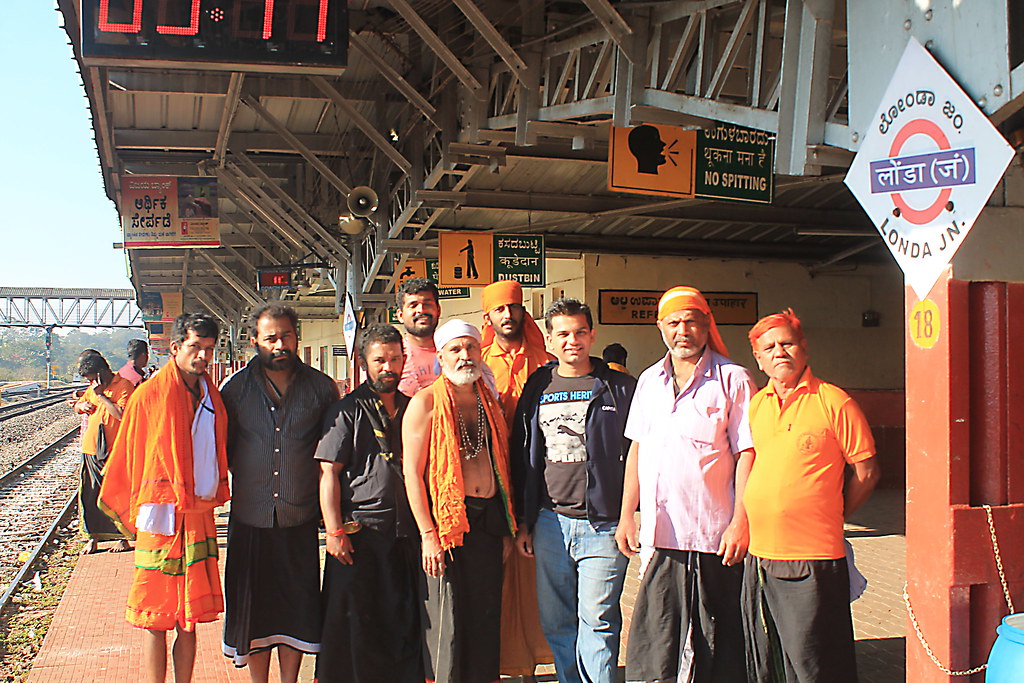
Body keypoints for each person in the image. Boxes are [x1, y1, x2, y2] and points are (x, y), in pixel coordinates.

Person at [615, 286, 756, 682]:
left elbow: (749, 453)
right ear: (661, 327)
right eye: (674, 322)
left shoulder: (734, 380)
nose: (683, 330)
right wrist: (627, 514)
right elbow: (637, 452)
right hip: (661, 536)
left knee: (718, 640)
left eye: (692, 321)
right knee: (657, 640)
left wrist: (740, 521)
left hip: (714, 537)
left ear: (707, 325)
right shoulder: (648, 381)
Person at [742, 309, 880, 682]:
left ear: (803, 348)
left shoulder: (834, 402)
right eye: (768, 347)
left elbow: (867, 473)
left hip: (813, 558)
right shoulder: (756, 405)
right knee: (772, 660)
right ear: (758, 358)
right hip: (760, 557)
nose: (779, 352)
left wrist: (836, 514)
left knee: (817, 664)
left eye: (786, 343)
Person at [99, 313, 230, 683]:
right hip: (158, 517)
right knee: (156, 618)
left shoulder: (211, 393)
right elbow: (129, 453)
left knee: (188, 620)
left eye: (208, 349)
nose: (203, 356)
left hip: (198, 511)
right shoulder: (149, 395)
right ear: (175, 348)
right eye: (195, 348)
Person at [511, 298, 636, 683]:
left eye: (580, 332)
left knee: (597, 620)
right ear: (550, 339)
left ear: (592, 335)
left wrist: (631, 516)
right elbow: (522, 454)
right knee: (558, 622)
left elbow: (639, 454)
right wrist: (525, 522)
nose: (572, 341)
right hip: (549, 524)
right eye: (563, 333)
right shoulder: (538, 386)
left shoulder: (618, 387)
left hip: (603, 525)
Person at [220, 304, 339, 681]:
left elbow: (333, 453)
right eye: (270, 338)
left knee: (298, 610)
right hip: (250, 515)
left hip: (299, 517)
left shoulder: (321, 387)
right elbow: (224, 448)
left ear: (297, 337)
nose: (279, 344)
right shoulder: (235, 390)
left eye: (286, 335)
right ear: (254, 340)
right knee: (254, 611)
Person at [402, 319, 516, 683]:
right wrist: (428, 534)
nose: (465, 355)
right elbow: (412, 474)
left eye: (470, 347)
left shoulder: (489, 399)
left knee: (484, 618)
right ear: (441, 356)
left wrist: (509, 529)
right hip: (448, 525)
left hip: (488, 523)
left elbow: (502, 465)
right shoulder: (426, 402)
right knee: (448, 624)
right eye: (456, 349)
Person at [314, 324, 421, 683]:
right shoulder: (346, 411)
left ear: (404, 360)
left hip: (406, 532)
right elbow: (328, 473)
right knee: (356, 619)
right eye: (379, 360)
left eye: (394, 358)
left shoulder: (413, 408)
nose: (388, 367)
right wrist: (334, 531)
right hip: (360, 533)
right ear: (363, 363)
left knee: (403, 616)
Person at [479, 280, 555, 680]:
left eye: (514, 307)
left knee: (532, 577)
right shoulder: (479, 362)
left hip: (534, 487)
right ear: (487, 317)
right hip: (491, 487)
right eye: (499, 309)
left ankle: (530, 663)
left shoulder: (546, 362)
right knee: (498, 577)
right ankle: (499, 663)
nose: (508, 315)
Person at [75, 350, 135, 555]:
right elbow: (78, 405)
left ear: (102, 372)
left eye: (93, 378)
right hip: (90, 450)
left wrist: (101, 396)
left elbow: (121, 414)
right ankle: (93, 538)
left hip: (115, 452)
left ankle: (123, 537)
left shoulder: (124, 386)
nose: (92, 383)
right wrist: (81, 405)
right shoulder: (92, 388)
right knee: (90, 497)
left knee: (117, 496)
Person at [396, 277, 441, 396]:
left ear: (438, 310)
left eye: (427, 304)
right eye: (413, 305)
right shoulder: (391, 357)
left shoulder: (455, 352)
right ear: (400, 315)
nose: (421, 310)